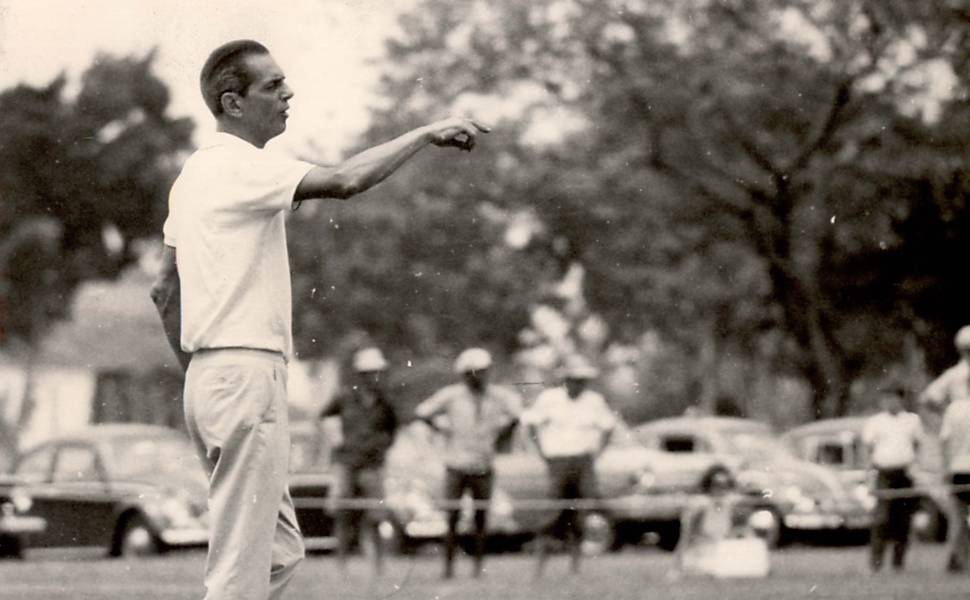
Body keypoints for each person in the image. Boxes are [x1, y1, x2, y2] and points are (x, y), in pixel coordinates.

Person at [149, 39, 489, 600]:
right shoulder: (239, 167)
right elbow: (346, 180)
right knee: (238, 571)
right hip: (244, 374)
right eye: (272, 85)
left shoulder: (191, 178)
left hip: (214, 378)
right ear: (232, 104)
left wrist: (204, 372)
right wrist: (424, 133)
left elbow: (164, 288)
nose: (288, 93)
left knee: (279, 554)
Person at [413, 347, 521, 579]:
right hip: (456, 464)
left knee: (481, 518)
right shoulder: (452, 395)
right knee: (452, 517)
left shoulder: (498, 396)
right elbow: (423, 412)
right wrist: (443, 429)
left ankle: (478, 568)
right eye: (475, 372)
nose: (480, 376)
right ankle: (448, 568)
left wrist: (501, 436)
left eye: (484, 371)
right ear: (465, 374)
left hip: (484, 464)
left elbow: (517, 415)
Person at [522, 355, 616, 576]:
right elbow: (531, 424)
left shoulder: (594, 401)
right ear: (566, 380)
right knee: (552, 512)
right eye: (574, 379)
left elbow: (608, 426)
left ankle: (575, 568)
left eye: (582, 380)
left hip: (583, 460)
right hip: (558, 460)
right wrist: (542, 452)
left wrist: (598, 452)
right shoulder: (549, 398)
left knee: (581, 512)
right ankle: (539, 567)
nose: (578, 384)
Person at [319, 347, 398, 574]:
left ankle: (378, 566)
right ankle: (341, 566)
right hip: (346, 462)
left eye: (378, 372)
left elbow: (393, 430)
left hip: (372, 464)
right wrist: (335, 438)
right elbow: (323, 417)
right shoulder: (344, 397)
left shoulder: (385, 402)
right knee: (343, 514)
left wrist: (382, 448)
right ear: (360, 374)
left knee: (376, 516)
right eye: (370, 372)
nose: (375, 376)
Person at [920, 325, 970, 572]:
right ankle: (957, 559)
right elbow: (928, 399)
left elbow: (928, 398)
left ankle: (956, 559)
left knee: (958, 518)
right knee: (959, 517)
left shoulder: (953, 379)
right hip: (961, 453)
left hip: (957, 459)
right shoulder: (955, 379)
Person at [862, 383, 923, 572]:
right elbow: (867, 449)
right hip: (884, 473)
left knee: (903, 521)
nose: (889, 402)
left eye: (893, 397)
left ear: (901, 399)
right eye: (886, 397)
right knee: (881, 519)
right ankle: (876, 563)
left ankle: (898, 562)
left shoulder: (912, 421)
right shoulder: (876, 422)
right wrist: (868, 474)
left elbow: (917, 445)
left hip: (904, 473)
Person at [674, 464, 767, 579]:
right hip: (699, 555)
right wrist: (677, 569)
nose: (721, 489)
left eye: (725, 485)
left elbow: (739, 532)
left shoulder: (731, 507)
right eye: (717, 485)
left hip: (721, 554)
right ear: (709, 486)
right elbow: (685, 539)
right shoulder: (699, 507)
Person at [940, 381, 970, 573]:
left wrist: (946, 468)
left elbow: (944, 440)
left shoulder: (954, 409)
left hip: (958, 468)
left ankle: (955, 561)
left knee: (957, 520)